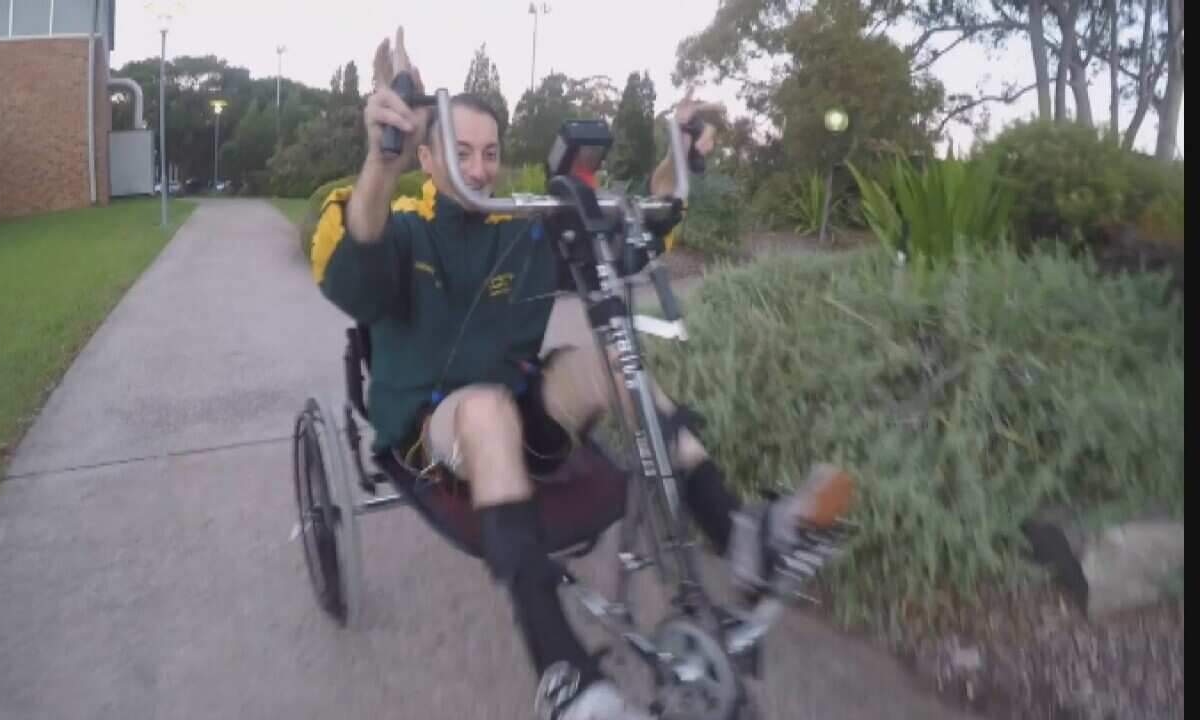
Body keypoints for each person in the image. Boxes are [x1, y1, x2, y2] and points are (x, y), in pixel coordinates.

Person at [312, 28, 856, 720]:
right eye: (461, 152)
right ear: (425, 154)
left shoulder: (522, 227)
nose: (479, 169)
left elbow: (632, 236)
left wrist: (675, 162)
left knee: (607, 361)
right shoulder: (403, 229)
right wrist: (379, 163)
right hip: (432, 431)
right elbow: (353, 258)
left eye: (490, 153)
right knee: (483, 408)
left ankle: (738, 532)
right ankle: (563, 672)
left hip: (522, 419)